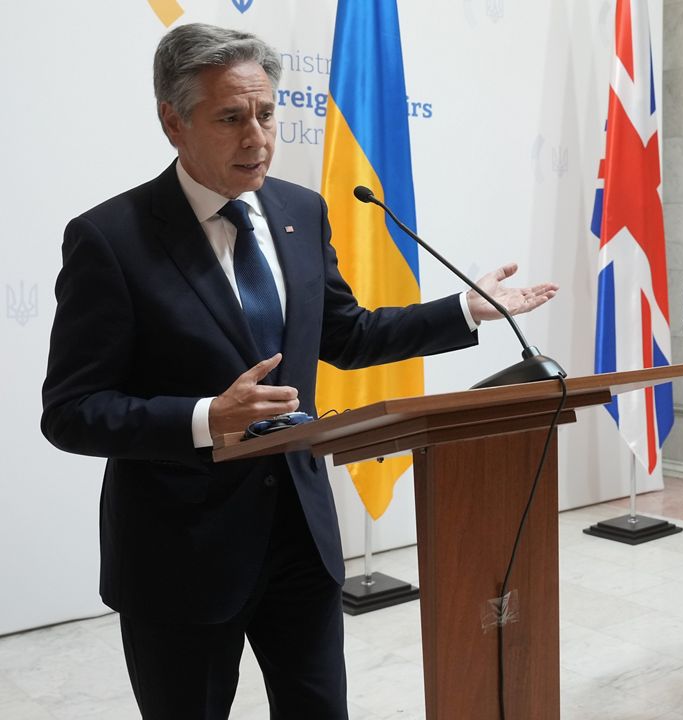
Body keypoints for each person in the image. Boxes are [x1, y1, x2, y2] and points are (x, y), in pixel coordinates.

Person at [40, 23, 556, 719]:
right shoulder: (110, 238)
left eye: (266, 112)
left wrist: (464, 309)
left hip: (300, 538)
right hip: (180, 555)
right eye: (230, 118)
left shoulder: (298, 211)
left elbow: (346, 335)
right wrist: (203, 420)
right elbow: (72, 409)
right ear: (173, 121)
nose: (257, 137)